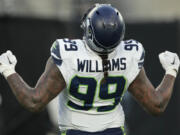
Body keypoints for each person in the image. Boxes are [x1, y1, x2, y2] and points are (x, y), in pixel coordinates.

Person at [0, 3, 179, 135]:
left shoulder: (68, 54)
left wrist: (8, 70)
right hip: (114, 131)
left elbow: (34, 101)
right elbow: (157, 105)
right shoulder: (129, 54)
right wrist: (171, 70)